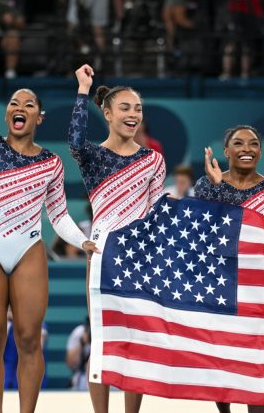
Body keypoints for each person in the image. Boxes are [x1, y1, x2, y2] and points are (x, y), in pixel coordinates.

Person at [0, 0, 97, 412]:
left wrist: (81, 240)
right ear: (7, 113)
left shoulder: (49, 162)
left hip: (29, 248)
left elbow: (59, 215)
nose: (19, 107)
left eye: (28, 104)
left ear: (38, 118)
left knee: (30, 338)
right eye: (14, 102)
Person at [69, 64, 166, 413]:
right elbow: (75, 141)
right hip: (103, 254)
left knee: (135, 341)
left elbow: (157, 212)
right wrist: (83, 92)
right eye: (125, 108)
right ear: (107, 113)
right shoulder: (93, 156)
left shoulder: (153, 160)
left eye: (138, 109)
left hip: (139, 256)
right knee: (103, 339)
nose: (133, 115)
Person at [196, 125, 264, 413]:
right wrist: (216, 189)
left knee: (258, 366)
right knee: (223, 363)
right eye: (239, 143)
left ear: (261, 150)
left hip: (259, 290)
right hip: (221, 286)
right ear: (226, 151)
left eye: (254, 143)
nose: (247, 148)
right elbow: (204, 232)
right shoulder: (207, 184)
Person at [3, 308, 48, 389]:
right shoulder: (3, 326)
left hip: (30, 384)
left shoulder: (37, 323)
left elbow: (38, 347)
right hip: (6, 384)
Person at [65, 319, 90, 390]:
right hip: (82, 378)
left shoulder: (109, 332)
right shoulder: (80, 332)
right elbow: (70, 363)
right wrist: (82, 343)